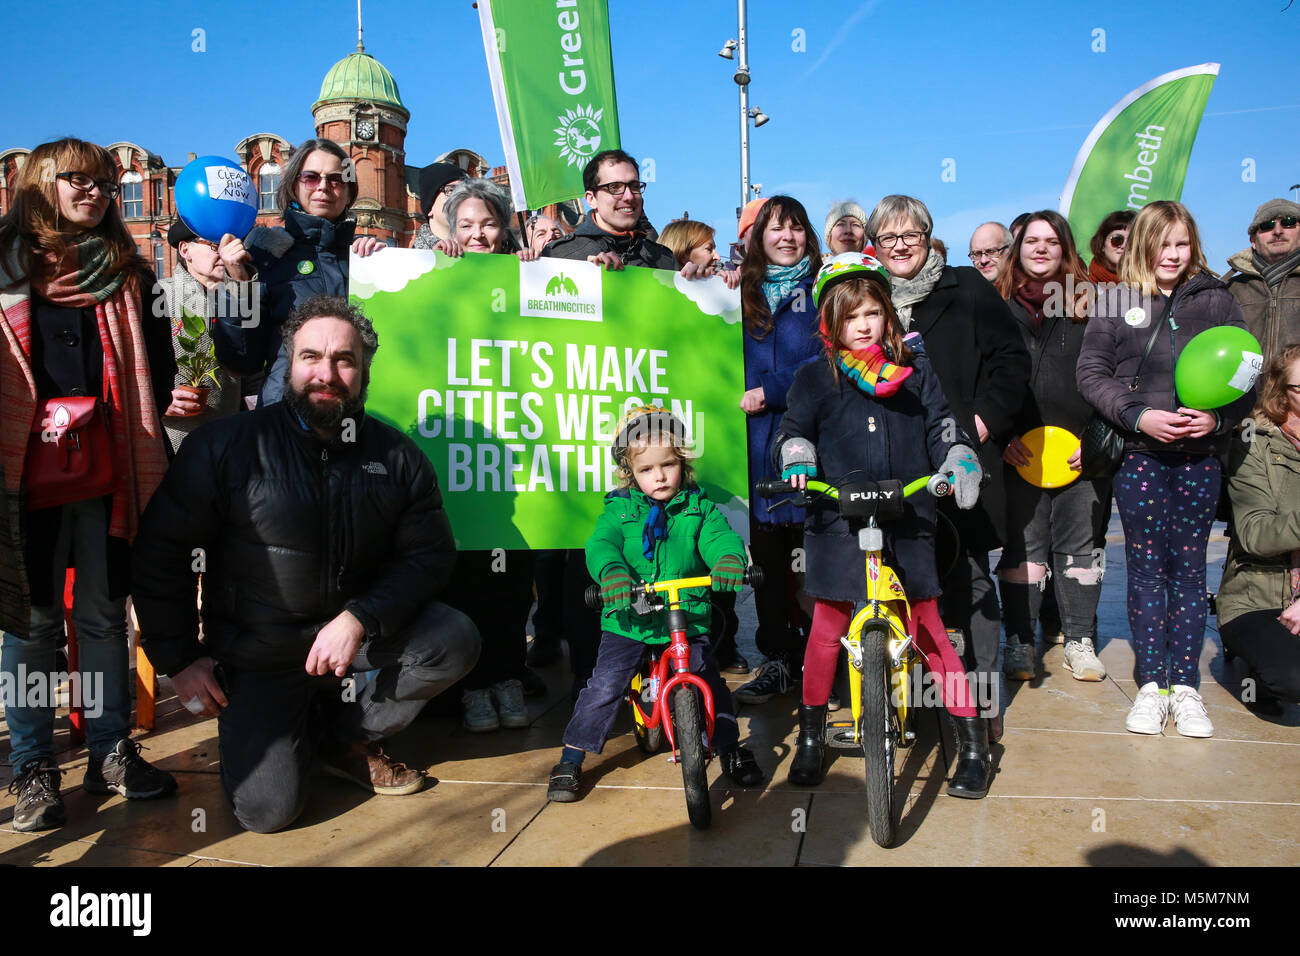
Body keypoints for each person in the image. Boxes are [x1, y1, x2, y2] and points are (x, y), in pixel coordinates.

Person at [131, 296, 480, 832]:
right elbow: (161, 553)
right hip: (259, 655)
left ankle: (346, 738)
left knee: (453, 637)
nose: (328, 373)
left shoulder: (397, 456)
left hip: (351, 643)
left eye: (345, 360)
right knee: (269, 814)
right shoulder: (225, 446)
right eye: (311, 356)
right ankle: (288, 730)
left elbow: (428, 556)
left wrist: (360, 616)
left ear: (364, 371)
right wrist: (180, 658)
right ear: (288, 364)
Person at [0, 138, 179, 833]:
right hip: (23, 475)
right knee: (31, 625)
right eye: (78, 180)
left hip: (108, 471)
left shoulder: (129, 275)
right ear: (40, 184)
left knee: (104, 616)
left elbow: (159, 375)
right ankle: (33, 766)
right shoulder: (5, 269)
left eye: (104, 184)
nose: (95, 193)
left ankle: (109, 750)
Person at [774, 253, 991, 796]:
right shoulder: (812, 378)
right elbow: (792, 429)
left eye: (873, 312)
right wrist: (797, 456)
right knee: (826, 627)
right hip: (837, 522)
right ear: (830, 322)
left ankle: (971, 745)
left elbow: (943, 425)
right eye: (851, 317)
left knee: (929, 629)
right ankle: (811, 736)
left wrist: (958, 456)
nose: (864, 325)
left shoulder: (915, 373)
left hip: (908, 516)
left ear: (888, 315)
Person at [1077, 200, 1252, 737]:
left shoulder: (1218, 299)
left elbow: (1249, 373)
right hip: (1141, 456)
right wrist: (1141, 416)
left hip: (1200, 460)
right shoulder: (1115, 300)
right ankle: (1153, 686)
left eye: (1181, 244)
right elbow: (1091, 373)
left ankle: (1188, 688)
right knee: (1148, 568)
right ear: (1142, 244)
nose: (1172, 255)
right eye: (1162, 244)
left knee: (1189, 567)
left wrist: (1218, 419)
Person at [865, 195, 1030, 738]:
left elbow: (1010, 361)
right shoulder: (865, 297)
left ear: (928, 235)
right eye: (888, 237)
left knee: (969, 581)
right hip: (892, 467)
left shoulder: (966, 288)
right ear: (875, 245)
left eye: (910, 233)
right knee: (902, 584)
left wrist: (981, 424)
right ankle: (912, 701)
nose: (901, 245)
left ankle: (978, 714)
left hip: (963, 460)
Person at [546, 407, 764, 801]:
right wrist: (612, 573)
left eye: (668, 465)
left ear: (683, 463)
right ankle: (570, 759)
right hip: (629, 618)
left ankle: (731, 748)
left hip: (687, 616)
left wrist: (728, 559)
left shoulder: (699, 509)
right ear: (630, 473)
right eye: (647, 469)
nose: (659, 476)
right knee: (604, 686)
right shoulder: (620, 510)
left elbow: (719, 538)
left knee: (711, 684)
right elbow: (602, 546)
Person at [428, 177, 543, 728]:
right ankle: (472, 687)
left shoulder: (529, 274)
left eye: (488, 223)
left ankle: (507, 676)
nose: (477, 233)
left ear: (504, 228)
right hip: (458, 462)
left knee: (513, 583)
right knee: (465, 579)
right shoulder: (431, 271)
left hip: (518, 461)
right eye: (465, 224)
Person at [993, 211, 1107, 682]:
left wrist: (1097, 439)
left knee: (1081, 549)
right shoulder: (996, 304)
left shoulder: (1092, 304)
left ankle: (1079, 640)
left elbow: (1113, 375)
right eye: (1031, 241)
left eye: (1052, 241)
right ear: (1017, 249)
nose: (1041, 249)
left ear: (1066, 250)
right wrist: (1002, 437)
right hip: (1018, 452)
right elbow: (986, 378)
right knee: (1024, 548)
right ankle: (1020, 642)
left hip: (1080, 454)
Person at [210, 138, 382, 407]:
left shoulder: (365, 258)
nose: (323, 187)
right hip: (285, 415)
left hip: (359, 413)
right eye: (311, 178)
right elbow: (240, 360)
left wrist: (387, 267)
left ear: (349, 191)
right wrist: (238, 285)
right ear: (293, 185)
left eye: (336, 179)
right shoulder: (264, 253)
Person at [733, 196, 824, 705]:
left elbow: (833, 358)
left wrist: (773, 388)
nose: (786, 238)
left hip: (807, 441)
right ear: (757, 238)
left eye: (795, 229)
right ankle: (778, 658)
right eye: (775, 229)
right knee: (766, 561)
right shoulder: (736, 291)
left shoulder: (824, 289)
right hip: (749, 447)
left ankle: (822, 658)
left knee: (813, 558)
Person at [1218, 343, 1300, 713]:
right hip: (1260, 595)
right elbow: (1254, 533)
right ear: (1281, 393)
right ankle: (1260, 664)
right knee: (1291, 678)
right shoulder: (1255, 442)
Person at [158, 220, 242, 452]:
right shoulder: (159, 294)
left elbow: (251, 370)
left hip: (231, 437)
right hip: (175, 438)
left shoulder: (239, 297)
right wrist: (161, 399)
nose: (224, 254)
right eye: (215, 246)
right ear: (185, 250)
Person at [541, 149, 677, 270]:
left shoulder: (665, 260)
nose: (629, 196)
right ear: (591, 199)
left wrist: (695, 283)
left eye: (634, 186)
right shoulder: (557, 256)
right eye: (614, 187)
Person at [1222, 198, 1300, 363]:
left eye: (1288, 222)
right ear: (1253, 240)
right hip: (1247, 389)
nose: (1278, 231)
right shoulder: (1228, 290)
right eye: (1267, 225)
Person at [412, 161, 470, 249]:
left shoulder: (486, 250)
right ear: (430, 208)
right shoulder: (406, 260)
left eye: (467, 191)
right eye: (452, 190)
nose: (462, 197)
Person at [1086, 210, 1134, 286]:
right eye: (1117, 239)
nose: (1124, 245)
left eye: (1131, 242)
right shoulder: (1080, 288)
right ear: (1102, 244)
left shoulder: (1148, 289)